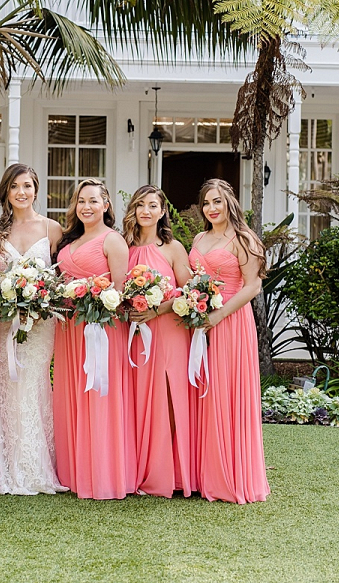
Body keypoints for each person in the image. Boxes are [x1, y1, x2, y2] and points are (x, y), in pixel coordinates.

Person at [0, 163, 66, 494]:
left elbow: (61, 276)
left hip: (41, 323)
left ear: (36, 189)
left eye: (27, 186)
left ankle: (36, 465)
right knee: (6, 385)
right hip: (6, 322)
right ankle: (5, 462)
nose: (22, 192)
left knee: (32, 383)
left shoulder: (52, 229)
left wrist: (41, 297)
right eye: (15, 186)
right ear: (6, 191)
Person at [53, 178, 135, 500]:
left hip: (101, 330)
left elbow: (120, 291)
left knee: (99, 397)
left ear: (106, 205)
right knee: (73, 394)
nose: (86, 206)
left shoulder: (112, 241)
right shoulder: (68, 242)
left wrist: (96, 301)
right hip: (70, 331)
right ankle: (75, 471)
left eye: (93, 200)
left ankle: (102, 473)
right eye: (80, 201)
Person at [190, 178, 270, 504]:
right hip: (200, 322)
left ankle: (232, 477)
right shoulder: (199, 237)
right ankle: (205, 473)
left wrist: (218, 316)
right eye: (207, 202)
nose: (212, 208)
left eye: (217, 202)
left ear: (230, 203)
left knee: (227, 391)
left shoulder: (244, 238)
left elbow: (252, 287)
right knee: (204, 394)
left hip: (232, 322)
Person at [124, 185, 194, 498]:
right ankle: (138, 470)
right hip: (134, 334)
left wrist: (159, 309)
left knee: (168, 396)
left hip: (168, 330)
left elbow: (190, 290)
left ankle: (168, 472)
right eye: (140, 205)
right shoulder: (122, 247)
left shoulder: (173, 248)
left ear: (163, 210)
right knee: (138, 400)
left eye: (153, 205)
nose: (146, 211)